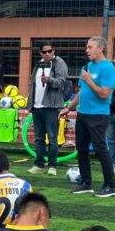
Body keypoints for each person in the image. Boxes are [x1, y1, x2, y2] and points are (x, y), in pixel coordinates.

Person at [59, 36, 115, 198]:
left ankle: (111, 186)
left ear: (100, 48)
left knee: (100, 150)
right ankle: (86, 183)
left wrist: (89, 80)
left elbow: (104, 94)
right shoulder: (86, 67)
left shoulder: (108, 68)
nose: (87, 50)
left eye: (90, 47)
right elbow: (81, 91)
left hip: (98, 115)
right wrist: (69, 107)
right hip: (82, 114)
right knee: (81, 149)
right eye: (87, 47)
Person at [27, 41, 68, 176]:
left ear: (53, 50)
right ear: (40, 53)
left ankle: (52, 166)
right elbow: (32, 85)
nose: (48, 53)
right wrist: (30, 104)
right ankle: (39, 164)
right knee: (38, 138)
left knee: (52, 138)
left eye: (50, 51)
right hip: (37, 106)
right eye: (44, 52)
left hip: (51, 106)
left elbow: (61, 82)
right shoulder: (38, 64)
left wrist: (49, 80)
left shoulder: (59, 63)